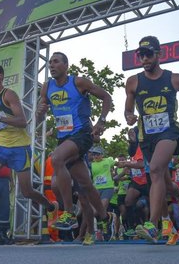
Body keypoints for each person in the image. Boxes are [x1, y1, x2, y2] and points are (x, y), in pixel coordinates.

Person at [0, 63, 58, 241]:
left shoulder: (8, 94)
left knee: (27, 191)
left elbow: (22, 121)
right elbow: (2, 127)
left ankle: (51, 206)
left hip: (20, 148)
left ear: (1, 76)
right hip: (2, 147)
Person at [124, 36, 179, 243]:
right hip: (146, 138)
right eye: (141, 55)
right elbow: (128, 110)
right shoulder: (133, 81)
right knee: (163, 181)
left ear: (159, 54)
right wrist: (129, 116)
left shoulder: (175, 79)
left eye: (148, 54)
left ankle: (152, 225)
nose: (144, 59)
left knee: (154, 170)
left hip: (169, 133)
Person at [35, 52, 116, 239]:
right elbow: (41, 115)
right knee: (85, 185)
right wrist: (40, 112)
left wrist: (101, 122)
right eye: (49, 63)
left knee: (56, 158)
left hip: (83, 134)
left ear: (66, 65)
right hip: (65, 137)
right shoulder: (47, 87)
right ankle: (104, 218)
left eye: (56, 62)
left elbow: (106, 97)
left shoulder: (79, 82)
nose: (51, 65)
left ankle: (69, 213)